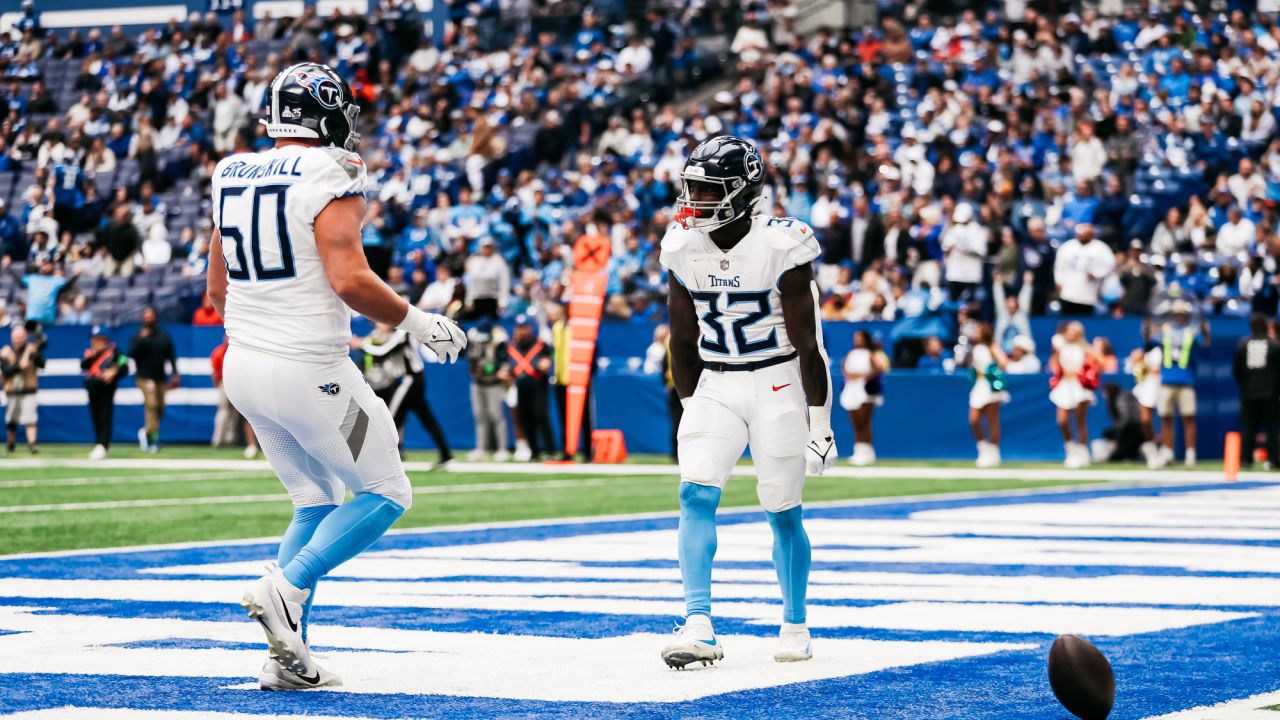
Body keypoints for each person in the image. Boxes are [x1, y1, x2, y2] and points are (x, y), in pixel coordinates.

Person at [205, 63, 466, 692]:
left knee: (316, 499)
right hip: (309, 370)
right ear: (325, 112)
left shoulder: (229, 172)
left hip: (243, 363)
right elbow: (350, 280)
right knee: (386, 490)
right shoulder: (334, 169)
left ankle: (286, 658)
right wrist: (421, 323)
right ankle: (287, 589)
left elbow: (216, 288)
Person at [661, 136, 834, 668]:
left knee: (781, 510)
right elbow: (681, 341)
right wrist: (692, 407)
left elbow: (811, 345)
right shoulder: (682, 245)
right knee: (695, 492)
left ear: (741, 192)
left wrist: (821, 421)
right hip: (717, 381)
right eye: (692, 189)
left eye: (707, 191)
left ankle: (795, 622)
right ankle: (698, 622)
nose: (695, 202)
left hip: (777, 381)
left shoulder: (782, 244)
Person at [355, 321, 453, 466]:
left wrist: (361, 344)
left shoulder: (402, 333)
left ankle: (388, 456)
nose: (380, 324)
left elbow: (383, 350)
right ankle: (445, 454)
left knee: (392, 417)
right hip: (408, 380)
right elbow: (377, 346)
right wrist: (365, 342)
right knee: (423, 417)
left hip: (409, 379)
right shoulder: (388, 334)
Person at [1155, 300, 1206, 468]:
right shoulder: (1164, 332)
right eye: (1176, 314)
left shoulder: (1192, 333)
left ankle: (1190, 453)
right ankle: (1167, 451)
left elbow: (1204, 350)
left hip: (1186, 381)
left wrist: (1206, 335)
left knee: (1188, 417)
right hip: (1167, 380)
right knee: (1166, 417)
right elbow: (1149, 344)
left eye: (1182, 314)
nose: (1179, 317)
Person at [1233, 313, 1280, 471]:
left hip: (1248, 394)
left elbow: (1236, 371)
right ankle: (1274, 459)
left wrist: (1245, 386)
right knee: (1272, 428)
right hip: (1270, 394)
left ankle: (1246, 460)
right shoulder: (1274, 345)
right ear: (1265, 326)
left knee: (1248, 427)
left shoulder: (1243, 345)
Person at [128, 307, 179, 453]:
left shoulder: (163, 336)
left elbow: (171, 354)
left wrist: (175, 373)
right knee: (152, 405)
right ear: (142, 318)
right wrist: (141, 339)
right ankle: (153, 440)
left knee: (159, 409)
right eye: (146, 316)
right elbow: (131, 354)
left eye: (151, 316)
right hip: (144, 377)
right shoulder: (138, 336)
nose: (149, 318)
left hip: (160, 378)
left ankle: (146, 431)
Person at [1049, 322, 1099, 468]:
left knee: (1080, 421)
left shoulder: (1084, 348)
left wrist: (1086, 371)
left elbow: (1100, 362)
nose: (1072, 334)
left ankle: (1082, 451)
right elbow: (1054, 362)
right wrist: (1059, 371)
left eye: (1075, 331)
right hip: (1065, 385)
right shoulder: (1061, 347)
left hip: (1079, 386)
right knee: (1062, 420)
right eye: (1070, 331)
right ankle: (1071, 450)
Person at [506, 315, 555, 461]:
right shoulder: (513, 346)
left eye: (524, 328)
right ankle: (534, 451)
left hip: (538, 385)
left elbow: (547, 360)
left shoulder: (540, 344)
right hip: (521, 385)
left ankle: (550, 450)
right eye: (519, 328)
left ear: (530, 328)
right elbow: (508, 366)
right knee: (526, 419)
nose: (521, 331)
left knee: (541, 416)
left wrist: (546, 365)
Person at [466, 316, 510, 461]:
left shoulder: (499, 339)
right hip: (478, 382)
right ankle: (481, 448)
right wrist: (473, 369)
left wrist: (499, 370)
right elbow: (470, 358)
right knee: (480, 417)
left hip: (494, 383)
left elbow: (503, 362)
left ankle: (502, 448)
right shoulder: (473, 337)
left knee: (496, 416)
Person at [840, 330, 885, 466]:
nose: (857, 340)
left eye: (860, 338)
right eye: (856, 338)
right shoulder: (851, 354)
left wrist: (864, 377)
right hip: (851, 389)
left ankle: (866, 451)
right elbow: (844, 366)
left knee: (864, 421)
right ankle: (859, 450)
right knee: (856, 422)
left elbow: (879, 368)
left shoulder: (870, 354)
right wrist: (849, 376)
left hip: (865, 390)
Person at [968, 323, 1010, 468]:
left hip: (990, 386)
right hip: (979, 386)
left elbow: (1003, 362)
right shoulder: (975, 348)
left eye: (978, 329)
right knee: (974, 419)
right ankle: (982, 450)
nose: (976, 332)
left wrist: (991, 372)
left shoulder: (992, 346)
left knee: (992, 420)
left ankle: (994, 452)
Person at [82, 331, 128, 460]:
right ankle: (98, 443)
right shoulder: (91, 352)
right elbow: (83, 365)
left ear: (104, 340)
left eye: (97, 339)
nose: (94, 342)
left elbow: (124, 363)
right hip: (92, 387)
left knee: (105, 415)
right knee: (95, 415)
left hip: (106, 387)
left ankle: (103, 444)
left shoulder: (113, 350)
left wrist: (114, 371)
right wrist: (91, 356)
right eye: (93, 339)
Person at [210, 337, 258, 459]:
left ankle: (230, 438)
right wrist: (217, 383)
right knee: (224, 411)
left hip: (239, 383)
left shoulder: (239, 353)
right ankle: (219, 438)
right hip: (224, 383)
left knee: (237, 414)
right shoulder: (220, 352)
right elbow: (215, 371)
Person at [1053, 224, 1115, 316]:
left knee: (1084, 321)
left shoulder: (1101, 248)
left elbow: (1109, 266)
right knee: (1066, 320)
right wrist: (1058, 280)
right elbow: (1059, 266)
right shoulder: (1068, 247)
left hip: (1088, 294)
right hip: (1068, 292)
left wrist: (1096, 273)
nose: (1082, 237)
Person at [0, 325, 43, 453]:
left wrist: (35, 353)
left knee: (30, 417)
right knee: (11, 418)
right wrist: (20, 366)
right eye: (16, 337)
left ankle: (32, 444)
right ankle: (11, 443)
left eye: (20, 336)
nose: (18, 339)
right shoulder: (6, 351)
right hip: (12, 389)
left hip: (28, 389)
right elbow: (6, 372)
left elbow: (42, 363)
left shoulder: (30, 350)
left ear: (25, 337)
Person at [1128, 337, 1164, 469]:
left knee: (1166, 420)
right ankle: (1152, 451)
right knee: (1145, 420)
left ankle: (1166, 451)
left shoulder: (1164, 348)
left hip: (1161, 385)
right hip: (1147, 386)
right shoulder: (1142, 351)